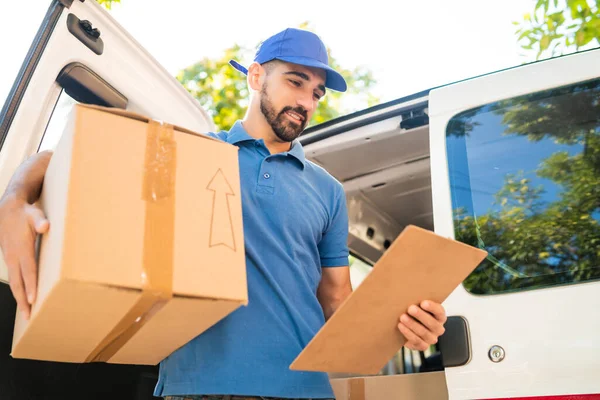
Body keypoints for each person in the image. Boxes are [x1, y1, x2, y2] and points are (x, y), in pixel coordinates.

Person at [0, 28, 447, 400]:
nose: (307, 103)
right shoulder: (194, 153)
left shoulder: (327, 190)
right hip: (195, 388)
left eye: (316, 92)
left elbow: (336, 299)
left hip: (304, 391)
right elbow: (75, 153)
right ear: (256, 76)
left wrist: (400, 326)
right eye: (295, 82)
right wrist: (14, 200)